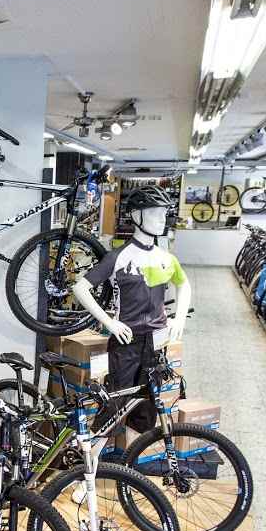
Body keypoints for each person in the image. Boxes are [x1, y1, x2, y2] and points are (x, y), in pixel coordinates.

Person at [70, 185, 192, 445]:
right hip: (126, 342)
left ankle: (131, 459)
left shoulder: (166, 258)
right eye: (155, 213)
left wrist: (179, 318)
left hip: (156, 343)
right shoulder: (119, 257)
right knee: (115, 404)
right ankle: (91, 462)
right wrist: (109, 322)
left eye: (164, 213)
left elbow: (184, 285)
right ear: (136, 216)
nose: (162, 219)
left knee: (147, 407)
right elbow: (80, 288)